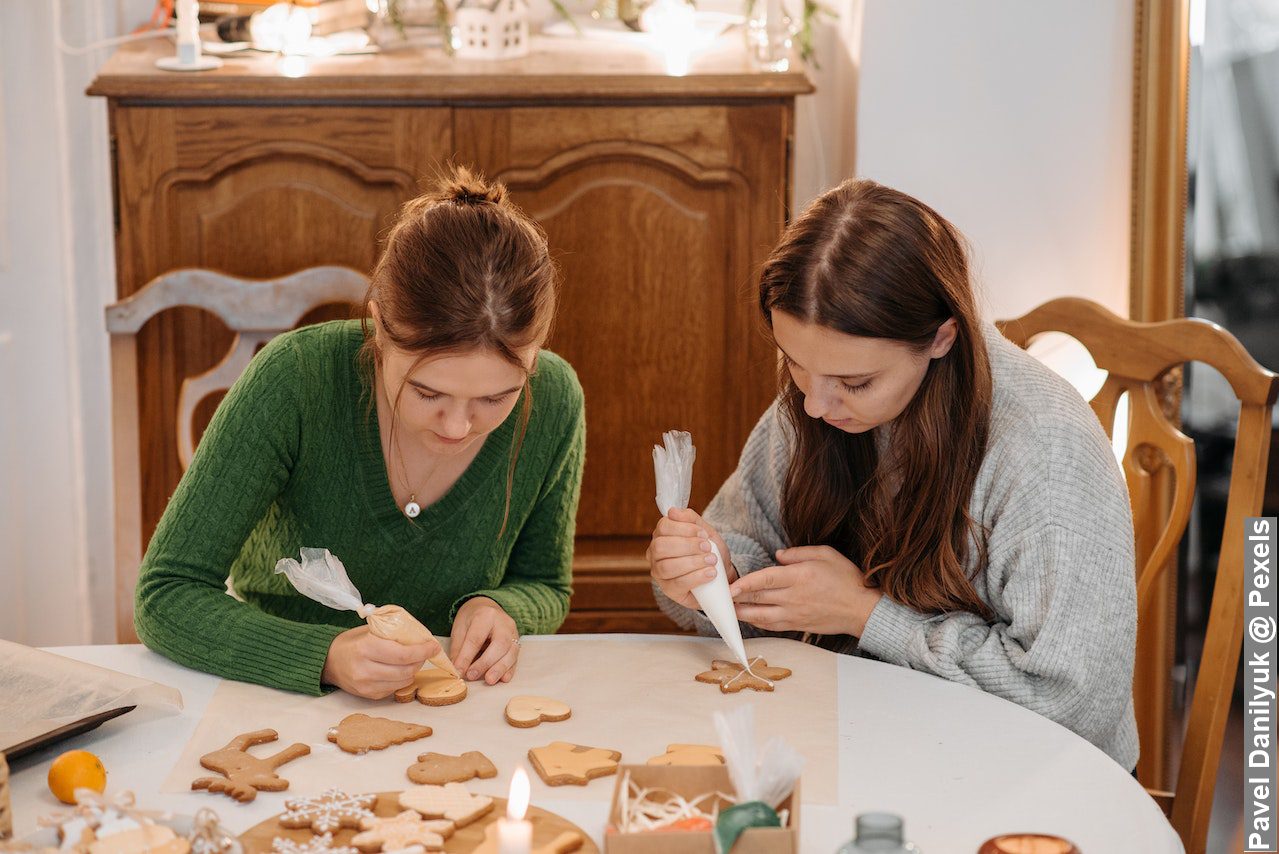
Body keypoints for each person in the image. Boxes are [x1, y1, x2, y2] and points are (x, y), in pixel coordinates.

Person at [648, 179, 1138, 770]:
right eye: (795, 365)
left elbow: (1071, 703)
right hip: (872, 745)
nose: (813, 407)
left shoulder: (1044, 447)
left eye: (855, 384)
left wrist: (866, 614)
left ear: (941, 338)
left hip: (1034, 783)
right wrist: (714, 575)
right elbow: (752, 543)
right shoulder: (816, 401)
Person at [134, 168, 585, 699]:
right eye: (427, 393)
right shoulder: (295, 380)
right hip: (275, 704)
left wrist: (500, 607)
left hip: (463, 716)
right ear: (377, 329)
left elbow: (547, 585)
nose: (460, 426)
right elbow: (165, 594)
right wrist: (324, 657)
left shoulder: (554, 398)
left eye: (496, 398)